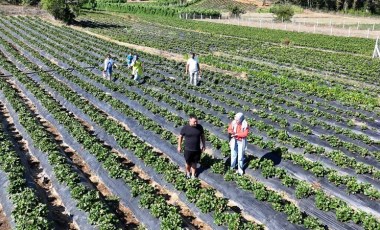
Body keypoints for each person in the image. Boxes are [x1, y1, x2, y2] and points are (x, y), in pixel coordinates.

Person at [178, 115, 206, 179]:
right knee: (188, 163)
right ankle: (188, 172)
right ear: (190, 121)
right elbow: (180, 137)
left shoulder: (199, 127)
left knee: (194, 163)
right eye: (194, 122)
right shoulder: (185, 128)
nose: (196, 123)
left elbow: (202, 136)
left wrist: (203, 145)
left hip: (196, 149)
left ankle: (193, 175)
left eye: (196, 121)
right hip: (188, 149)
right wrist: (179, 146)